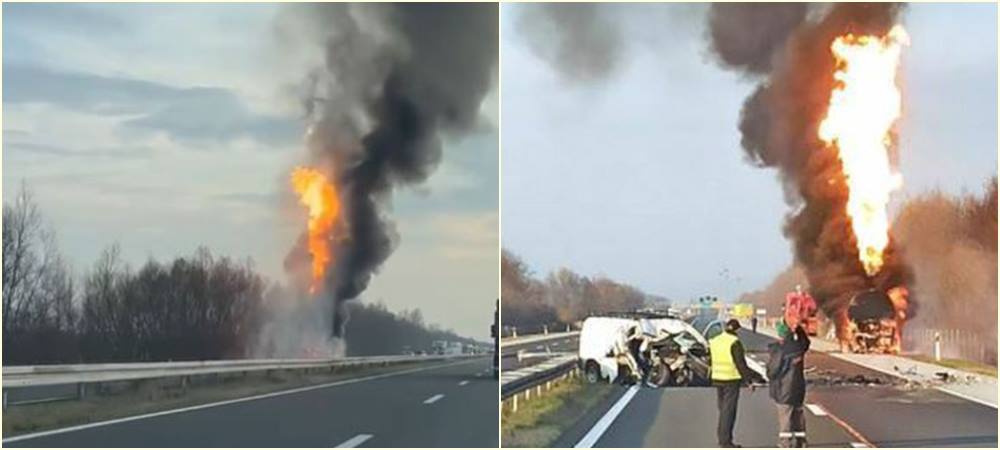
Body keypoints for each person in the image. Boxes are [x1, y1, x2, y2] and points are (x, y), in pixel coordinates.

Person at [710, 319, 764, 448]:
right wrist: (749, 381)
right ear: (737, 330)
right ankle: (726, 442)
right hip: (731, 380)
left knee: (723, 410)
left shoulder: (715, 340)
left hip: (717, 378)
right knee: (728, 412)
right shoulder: (734, 342)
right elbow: (741, 364)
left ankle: (722, 439)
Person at [767, 321, 811, 447]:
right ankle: (801, 441)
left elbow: (773, 371)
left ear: (780, 335)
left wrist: (768, 374)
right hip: (798, 388)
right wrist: (799, 329)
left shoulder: (780, 350)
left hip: (783, 389)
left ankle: (785, 443)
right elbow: (806, 342)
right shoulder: (798, 348)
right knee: (798, 415)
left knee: (785, 416)